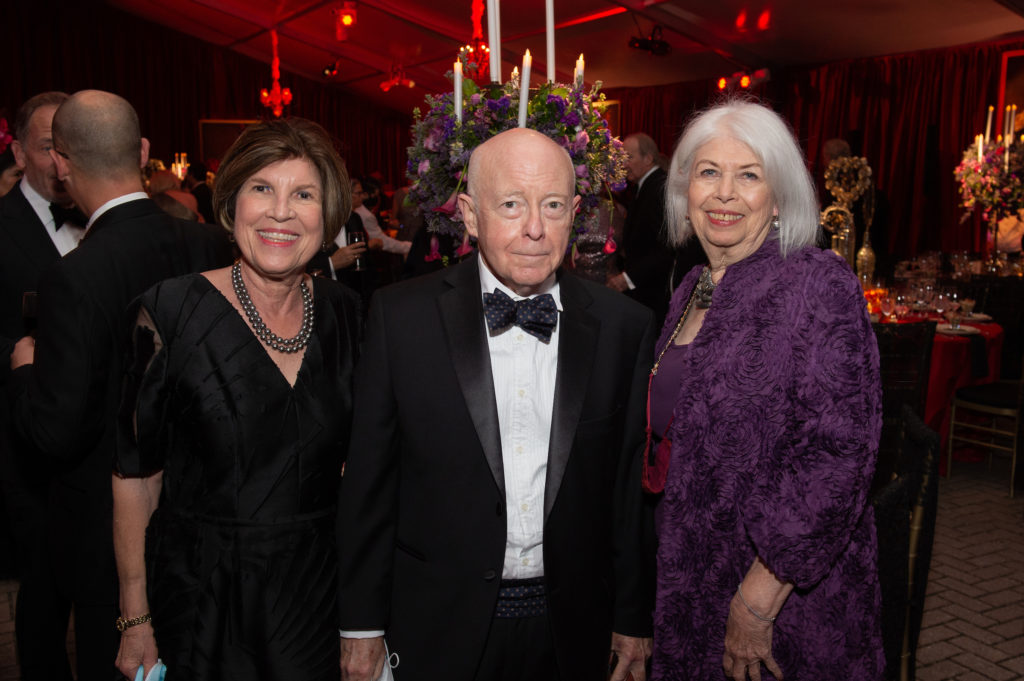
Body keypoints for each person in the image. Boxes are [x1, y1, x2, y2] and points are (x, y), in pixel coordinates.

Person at [336, 127, 655, 681]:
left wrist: (632, 617)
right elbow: (369, 484)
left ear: (574, 214)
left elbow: (629, 493)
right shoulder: (401, 318)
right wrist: (360, 628)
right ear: (470, 215)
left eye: (552, 205)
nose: (534, 228)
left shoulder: (624, 328)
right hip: (436, 623)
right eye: (510, 204)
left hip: (575, 627)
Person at [112, 117, 361, 680]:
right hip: (204, 599)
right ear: (231, 203)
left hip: (319, 597)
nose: (281, 212)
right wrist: (135, 617)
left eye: (304, 194)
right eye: (262, 188)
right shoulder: (168, 312)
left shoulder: (347, 312)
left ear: (328, 215)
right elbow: (135, 477)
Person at [648, 100, 884, 680]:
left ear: (777, 198)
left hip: (783, 605)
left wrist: (757, 600)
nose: (724, 193)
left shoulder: (817, 282)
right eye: (708, 172)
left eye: (749, 175)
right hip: (689, 579)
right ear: (685, 190)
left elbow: (838, 458)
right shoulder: (691, 289)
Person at [7, 90, 232, 681]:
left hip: (108, 533)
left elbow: (56, 431)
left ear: (61, 163)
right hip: (206, 509)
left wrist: (25, 368)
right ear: (144, 151)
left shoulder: (73, 276)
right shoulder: (211, 244)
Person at [0, 90, 89, 681]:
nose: (59, 162)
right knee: (42, 588)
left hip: (99, 439)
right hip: (25, 438)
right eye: (45, 148)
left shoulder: (105, 219)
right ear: (17, 153)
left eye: (69, 147)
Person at [608, 133, 697, 325]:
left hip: (655, 293)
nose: (623, 164)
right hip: (645, 291)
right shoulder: (644, 186)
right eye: (622, 158)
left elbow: (667, 248)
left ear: (648, 158)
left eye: (629, 157)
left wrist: (627, 278)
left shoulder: (659, 188)